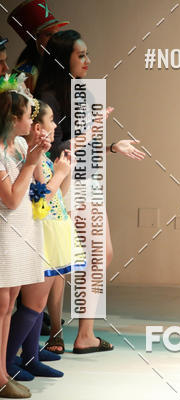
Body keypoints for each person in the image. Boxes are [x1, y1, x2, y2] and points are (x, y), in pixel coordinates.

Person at [35, 29, 144, 354]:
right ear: (63, 58)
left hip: (82, 180)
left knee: (94, 254)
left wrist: (110, 146)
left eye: (87, 55)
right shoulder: (50, 97)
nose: (88, 61)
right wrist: (92, 134)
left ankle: (82, 334)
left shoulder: (76, 92)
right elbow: (54, 149)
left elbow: (77, 146)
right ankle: (60, 331)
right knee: (62, 258)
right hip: (62, 183)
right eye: (80, 55)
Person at [6, 98, 72, 383]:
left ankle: (29, 356)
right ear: (34, 126)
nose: (55, 126)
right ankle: (8, 360)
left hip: (49, 228)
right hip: (37, 230)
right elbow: (40, 198)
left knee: (37, 303)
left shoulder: (35, 153)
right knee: (32, 303)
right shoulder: (26, 152)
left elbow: (56, 196)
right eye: (50, 120)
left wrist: (63, 172)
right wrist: (59, 174)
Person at [0, 74, 51, 398]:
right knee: (2, 304)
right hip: (4, 235)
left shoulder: (19, 145)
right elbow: (12, 198)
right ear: (12, 118)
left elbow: (38, 184)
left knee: (9, 304)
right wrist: (31, 161)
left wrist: (36, 152)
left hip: (22, 232)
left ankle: (3, 371)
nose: (32, 121)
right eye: (27, 115)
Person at [8, 0, 69, 92]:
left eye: (57, 34)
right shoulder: (24, 72)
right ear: (35, 39)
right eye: (49, 34)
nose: (55, 39)